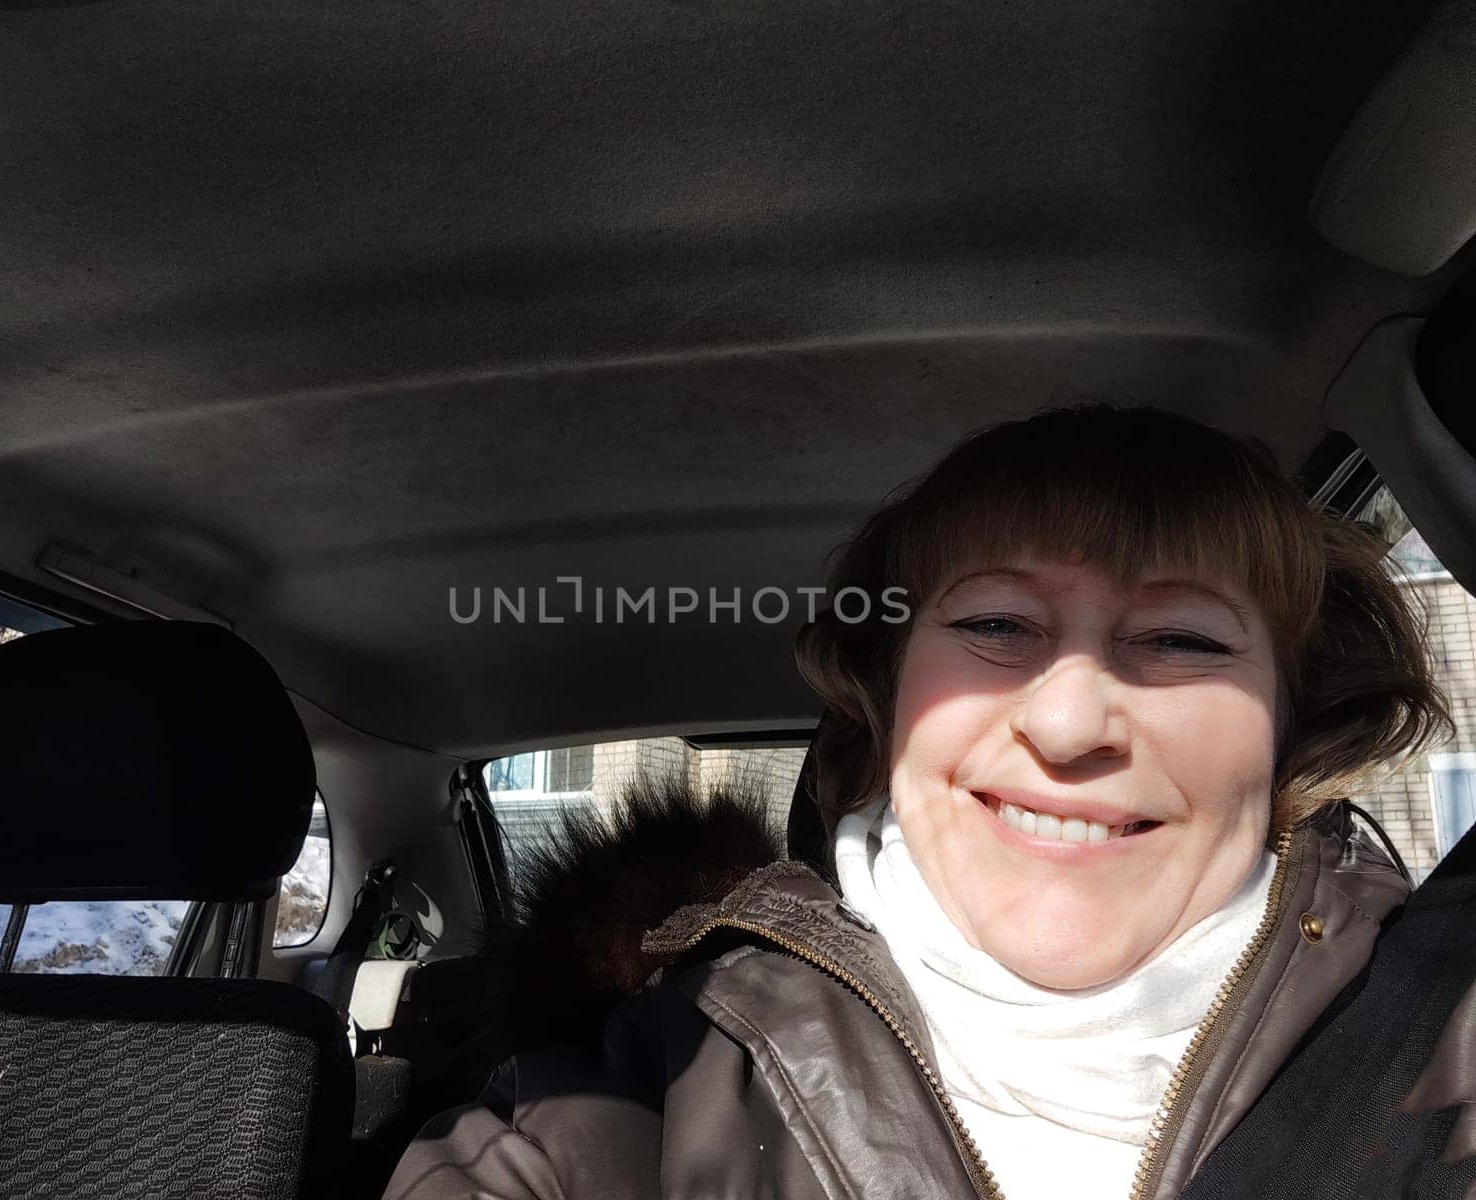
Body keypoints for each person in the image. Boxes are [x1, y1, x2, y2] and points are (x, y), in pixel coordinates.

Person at [384, 405, 1454, 1200]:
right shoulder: (630, 1095)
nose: (1071, 721)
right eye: (995, 626)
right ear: (891, 705)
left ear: (1285, 722)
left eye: (1181, 640)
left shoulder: (1441, 1026)